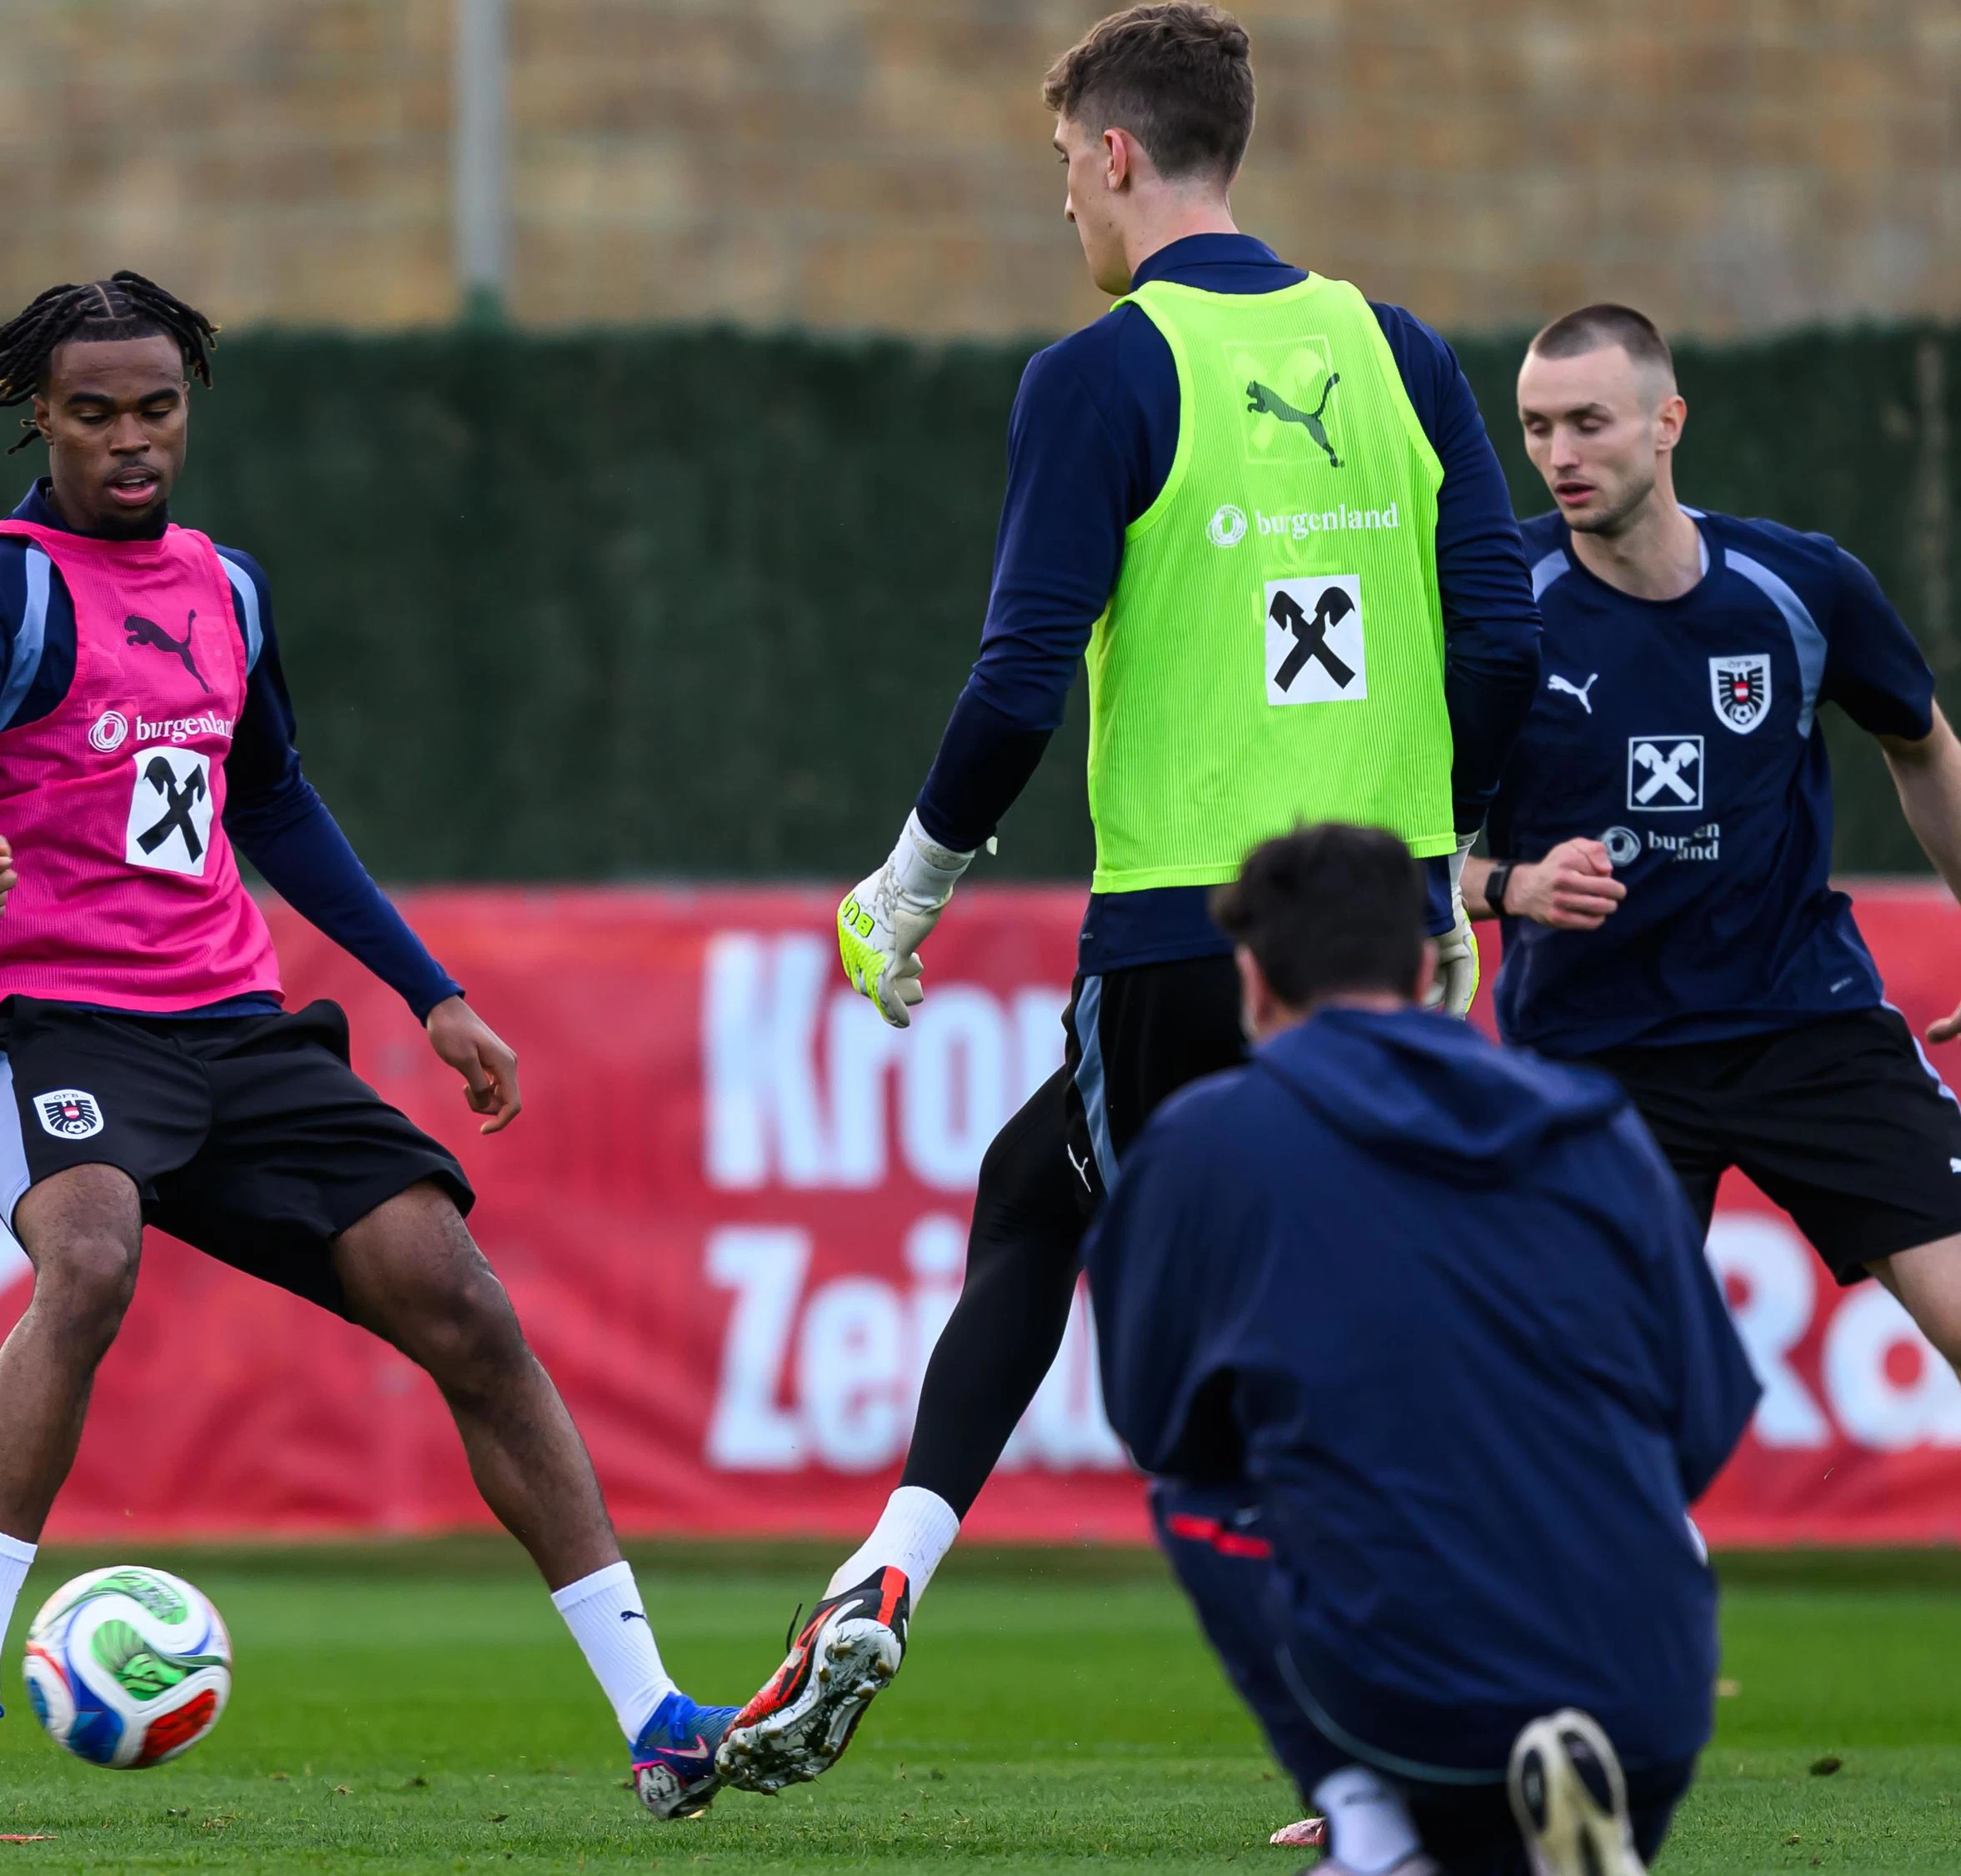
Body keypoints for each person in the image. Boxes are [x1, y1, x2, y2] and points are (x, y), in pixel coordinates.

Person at [720, 3, 1541, 1794]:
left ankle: (1398, 1738)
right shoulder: (1394, 351)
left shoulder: (1098, 370)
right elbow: (1498, 630)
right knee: (1083, 1205)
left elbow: (1019, 677)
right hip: (1386, 932)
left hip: (1187, 945)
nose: (1060, 217)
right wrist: (1442, 853)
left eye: (1056, 175)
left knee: (1110, 1279)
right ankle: (907, 1569)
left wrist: (908, 881)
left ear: (1107, 156)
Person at [0, 273, 734, 1819]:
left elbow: (273, 804)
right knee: (90, 1259)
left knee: (462, 1305)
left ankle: (657, 1713)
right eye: (95, 414)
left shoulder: (229, 588)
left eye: (158, 410)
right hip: (45, 1012)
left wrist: (431, 991)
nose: (132, 442)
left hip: (226, 1021)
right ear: (43, 419)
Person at [1086, 824, 1758, 1876]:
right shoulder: (1593, 1123)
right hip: (1650, 1702)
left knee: (1198, 1500)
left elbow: (1158, 1424)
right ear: (1423, 967)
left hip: (1408, 1700)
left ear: (1252, 983)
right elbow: (1705, 1422)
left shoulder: (1210, 1139)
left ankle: (1370, 1824)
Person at [1473, 302, 1961, 1386]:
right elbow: (1394, 842)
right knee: (1586, 1395)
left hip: (1804, 1021)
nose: (1559, 454)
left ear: (1668, 421)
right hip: (1596, 1056)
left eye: (1588, 422)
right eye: (1536, 426)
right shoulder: (1500, 608)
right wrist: (1509, 884)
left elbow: (1921, 744)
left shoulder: (1801, 587)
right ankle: (1639, 1551)